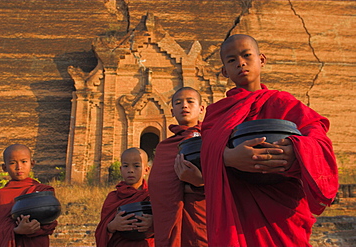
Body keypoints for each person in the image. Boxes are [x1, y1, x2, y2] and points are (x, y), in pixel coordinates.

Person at [200, 34, 339, 247]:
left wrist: (297, 150)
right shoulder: (217, 114)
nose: (241, 63)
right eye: (231, 60)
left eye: (247, 55)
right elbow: (207, 150)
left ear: (261, 60)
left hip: (281, 212)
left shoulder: (283, 102)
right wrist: (228, 157)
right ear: (224, 71)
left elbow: (319, 138)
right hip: (238, 209)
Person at [148, 87, 208, 247]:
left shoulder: (211, 138)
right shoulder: (164, 147)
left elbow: (226, 176)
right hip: (169, 217)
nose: (184, 106)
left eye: (190, 101)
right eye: (178, 103)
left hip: (202, 213)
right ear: (172, 110)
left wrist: (199, 183)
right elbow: (156, 185)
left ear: (201, 108)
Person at [0, 144, 58, 247]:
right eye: (12, 163)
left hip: (37, 242)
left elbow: (50, 224)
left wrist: (33, 229)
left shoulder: (43, 191)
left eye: (24, 162)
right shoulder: (2, 194)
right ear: (4, 167)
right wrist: (18, 230)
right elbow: (0, 228)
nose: (19, 167)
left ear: (32, 164)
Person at [95, 147, 154, 247]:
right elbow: (102, 229)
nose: (130, 170)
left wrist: (152, 223)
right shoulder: (113, 197)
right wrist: (113, 225)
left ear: (146, 170)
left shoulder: (152, 196)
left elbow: (166, 223)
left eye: (136, 166)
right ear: (120, 169)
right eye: (126, 166)